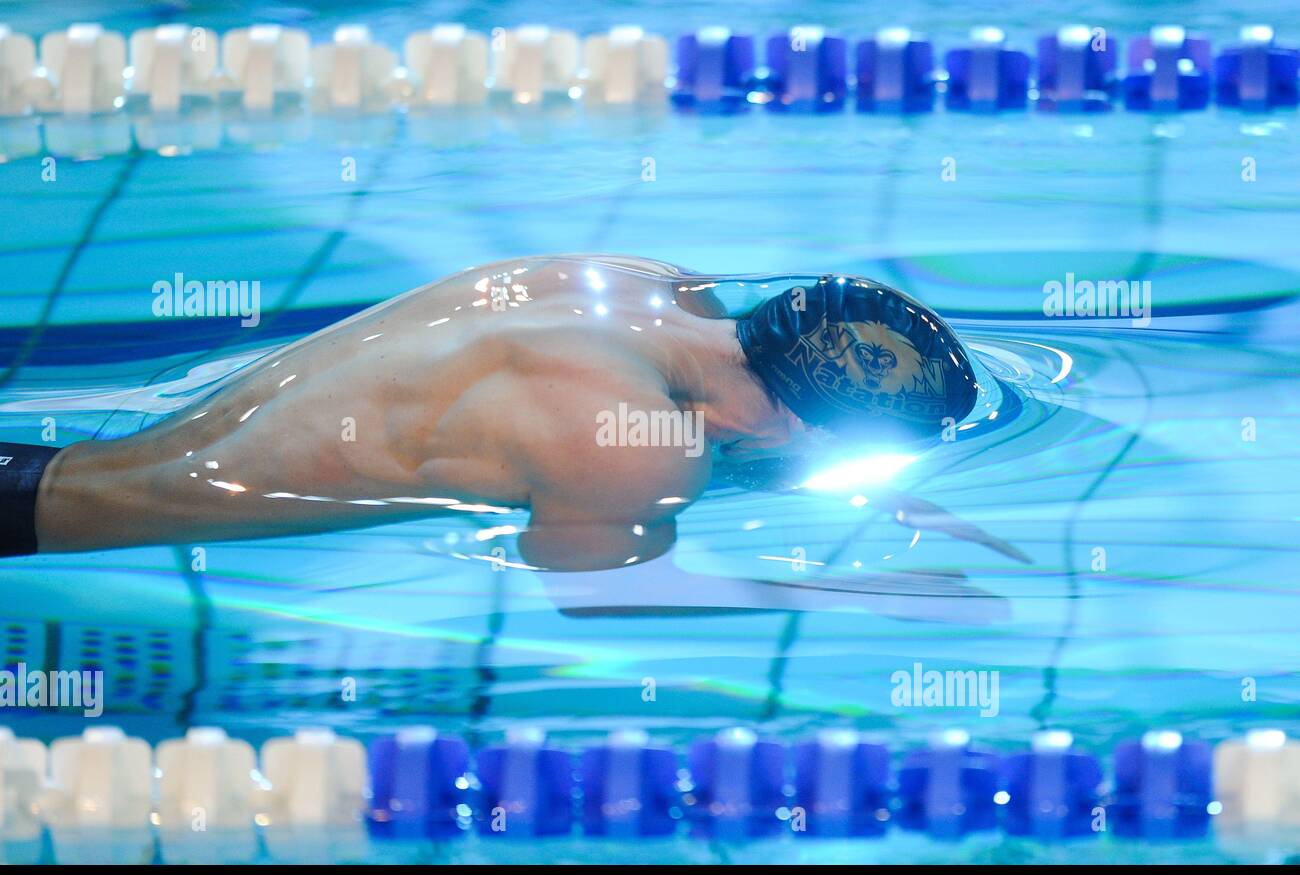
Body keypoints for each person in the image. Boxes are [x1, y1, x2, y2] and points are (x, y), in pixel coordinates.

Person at [0, 256, 978, 569]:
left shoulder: (653, 289)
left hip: (62, 461)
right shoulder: (643, 457)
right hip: (40, 525)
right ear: (806, 433)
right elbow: (575, 576)